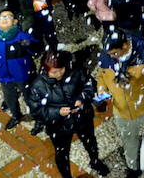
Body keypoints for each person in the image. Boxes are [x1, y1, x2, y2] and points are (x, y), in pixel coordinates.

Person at [95, 31, 144, 178]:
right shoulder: (106, 55)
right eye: (109, 54)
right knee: (129, 142)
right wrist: (101, 88)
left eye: (115, 53)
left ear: (125, 46)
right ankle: (133, 168)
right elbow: (102, 75)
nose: (111, 57)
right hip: (122, 111)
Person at [27, 50, 111, 178]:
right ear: (46, 70)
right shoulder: (38, 85)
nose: (59, 74)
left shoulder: (75, 71)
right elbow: (36, 110)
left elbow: (90, 84)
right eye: (54, 72)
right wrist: (58, 112)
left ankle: (95, 161)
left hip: (82, 117)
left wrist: (81, 98)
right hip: (58, 125)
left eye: (61, 69)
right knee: (62, 153)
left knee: (90, 143)